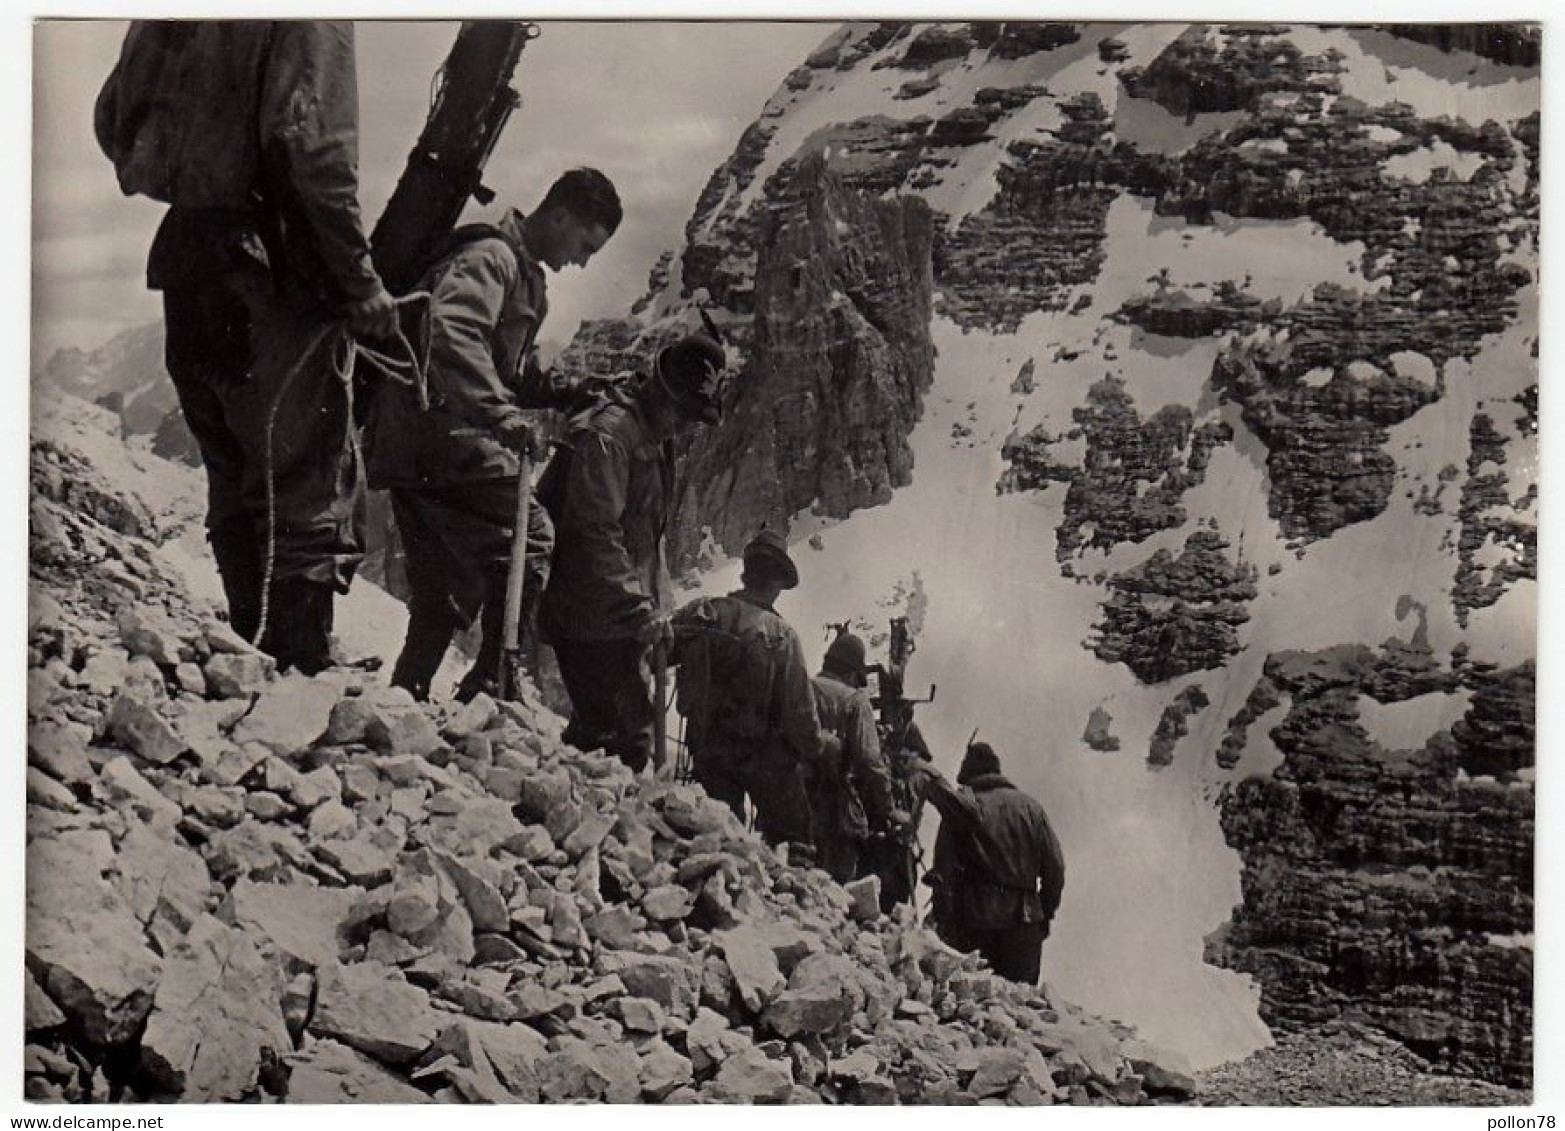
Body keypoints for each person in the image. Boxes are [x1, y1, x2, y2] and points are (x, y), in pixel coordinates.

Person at [95, 21, 398, 674]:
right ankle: (295, 679)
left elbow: (111, 117)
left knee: (233, 475)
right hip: (270, 268)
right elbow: (311, 144)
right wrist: (358, 281)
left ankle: (250, 660)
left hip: (187, 258)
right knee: (301, 485)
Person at [363, 169, 623, 702]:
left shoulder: (524, 277)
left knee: (441, 588)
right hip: (437, 433)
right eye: (584, 244)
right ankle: (494, 679)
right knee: (533, 537)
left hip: (414, 440)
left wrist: (566, 391)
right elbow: (453, 334)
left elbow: (510, 371)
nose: (582, 261)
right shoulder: (493, 259)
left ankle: (403, 700)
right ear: (559, 216)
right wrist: (504, 419)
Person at [536, 332, 726, 771]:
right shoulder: (611, 436)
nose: (685, 425)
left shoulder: (652, 434)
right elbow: (594, 534)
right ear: (662, 392)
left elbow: (642, 535)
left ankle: (566, 815)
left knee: (607, 734)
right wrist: (639, 609)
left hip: (613, 613)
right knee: (626, 740)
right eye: (684, 413)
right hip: (586, 608)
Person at [669, 531, 821, 848]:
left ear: (746, 572)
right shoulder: (782, 636)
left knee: (715, 835)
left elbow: (658, 648)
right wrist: (815, 749)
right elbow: (800, 717)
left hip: (706, 748)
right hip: (760, 758)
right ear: (777, 584)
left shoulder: (703, 612)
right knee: (793, 837)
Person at [912, 742, 1065, 985]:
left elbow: (944, 869)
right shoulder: (1031, 808)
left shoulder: (963, 807)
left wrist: (943, 917)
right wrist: (1045, 913)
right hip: (1024, 923)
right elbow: (1055, 868)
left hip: (975, 921)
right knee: (1021, 1010)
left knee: (978, 1008)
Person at [808, 631, 902, 884]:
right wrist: (888, 809)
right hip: (835, 816)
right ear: (852, 674)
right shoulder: (855, 701)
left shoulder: (802, 688)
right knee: (836, 897)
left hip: (793, 807)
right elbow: (870, 760)